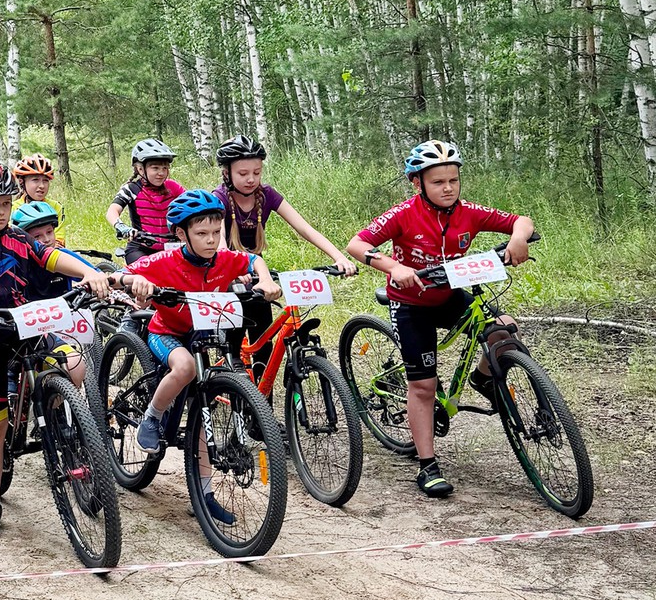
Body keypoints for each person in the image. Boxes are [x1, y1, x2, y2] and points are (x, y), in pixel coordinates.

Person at [0, 162, 112, 539]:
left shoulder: (20, 238)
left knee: (75, 365)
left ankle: (65, 424)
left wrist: (88, 271)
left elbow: (51, 257)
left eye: (6, 204)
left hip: (30, 330)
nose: (0, 211)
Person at [346, 140, 535, 499]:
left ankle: (482, 379)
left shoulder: (469, 212)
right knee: (424, 386)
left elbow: (520, 220)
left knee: (504, 329)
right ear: (418, 183)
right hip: (410, 303)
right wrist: (394, 266)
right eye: (438, 182)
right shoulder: (403, 214)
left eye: (453, 180)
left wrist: (518, 238)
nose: (448, 188)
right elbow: (357, 244)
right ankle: (427, 465)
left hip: (449, 295)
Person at [119, 189, 281, 524]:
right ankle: (152, 416)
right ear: (181, 234)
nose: (211, 240)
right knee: (186, 367)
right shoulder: (164, 261)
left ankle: (204, 496)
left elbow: (252, 260)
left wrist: (264, 280)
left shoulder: (223, 259)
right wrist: (137, 283)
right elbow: (125, 272)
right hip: (167, 333)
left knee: (201, 414)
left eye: (216, 233)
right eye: (201, 234)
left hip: (206, 335)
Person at [213, 135, 357, 354]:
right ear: (227, 173)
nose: (251, 179)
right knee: (233, 346)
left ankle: (263, 388)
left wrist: (338, 257)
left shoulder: (267, 194)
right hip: (228, 271)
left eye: (257, 172)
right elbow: (220, 244)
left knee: (264, 342)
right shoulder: (219, 198)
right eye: (243, 174)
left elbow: (305, 229)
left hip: (256, 274)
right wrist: (234, 268)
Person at [9, 201, 95, 388]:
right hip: (23, 332)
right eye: (37, 236)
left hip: (56, 330)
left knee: (73, 365)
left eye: (50, 232)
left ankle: (56, 409)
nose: (47, 239)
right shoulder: (16, 264)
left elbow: (95, 272)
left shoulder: (63, 255)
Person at [105, 139, 185, 264]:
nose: (161, 173)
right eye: (155, 168)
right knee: (146, 277)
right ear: (140, 169)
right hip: (141, 248)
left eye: (165, 168)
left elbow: (191, 203)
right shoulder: (132, 189)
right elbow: (112, 210)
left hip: (171, 246)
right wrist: (121, 226)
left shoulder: (172, 187)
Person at [12, 154, 66, 246]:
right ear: (22, 182)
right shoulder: (13, 208)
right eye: (35, 180)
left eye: (45, 181)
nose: (41, 186)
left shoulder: (56, 207)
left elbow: (59, 241)